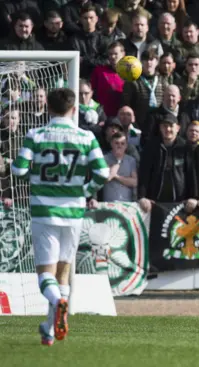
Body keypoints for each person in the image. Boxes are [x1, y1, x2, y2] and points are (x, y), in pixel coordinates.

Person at [11, 88, 109, 345]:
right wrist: (84, 190)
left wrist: (18, 167)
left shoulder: (36, 134)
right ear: (74, 109)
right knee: (63, 272)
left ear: (50, 109)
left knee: (45, 273)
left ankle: (57, 301)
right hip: (74, 212)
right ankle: (49, 328)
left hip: (44, 211)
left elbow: (19, 170)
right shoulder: (86, 137)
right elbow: (102, 172)